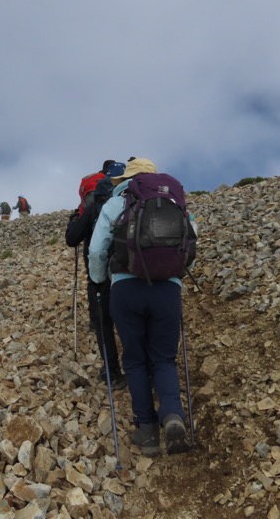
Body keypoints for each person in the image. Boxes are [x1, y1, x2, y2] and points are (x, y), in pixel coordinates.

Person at [88, 158, 191, 456]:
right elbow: (191, 240)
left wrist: (99, 281)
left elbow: (97, 250)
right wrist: (176, 274)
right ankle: (172, 415)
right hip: (167, 289)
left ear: (128, 178)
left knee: (134, 359)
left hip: (126, 287)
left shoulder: (116, 203)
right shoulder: (175, 202)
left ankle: (146, 431)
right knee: (164, 358)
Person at [65, 161, 127, 391]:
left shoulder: (95, 203)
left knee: (104, 323)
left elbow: (72, 239)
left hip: (98, 274)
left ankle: (113, 372)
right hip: (128, 270)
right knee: (128, 322)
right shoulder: (130, 200)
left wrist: (73, 219)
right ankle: (140, 368)